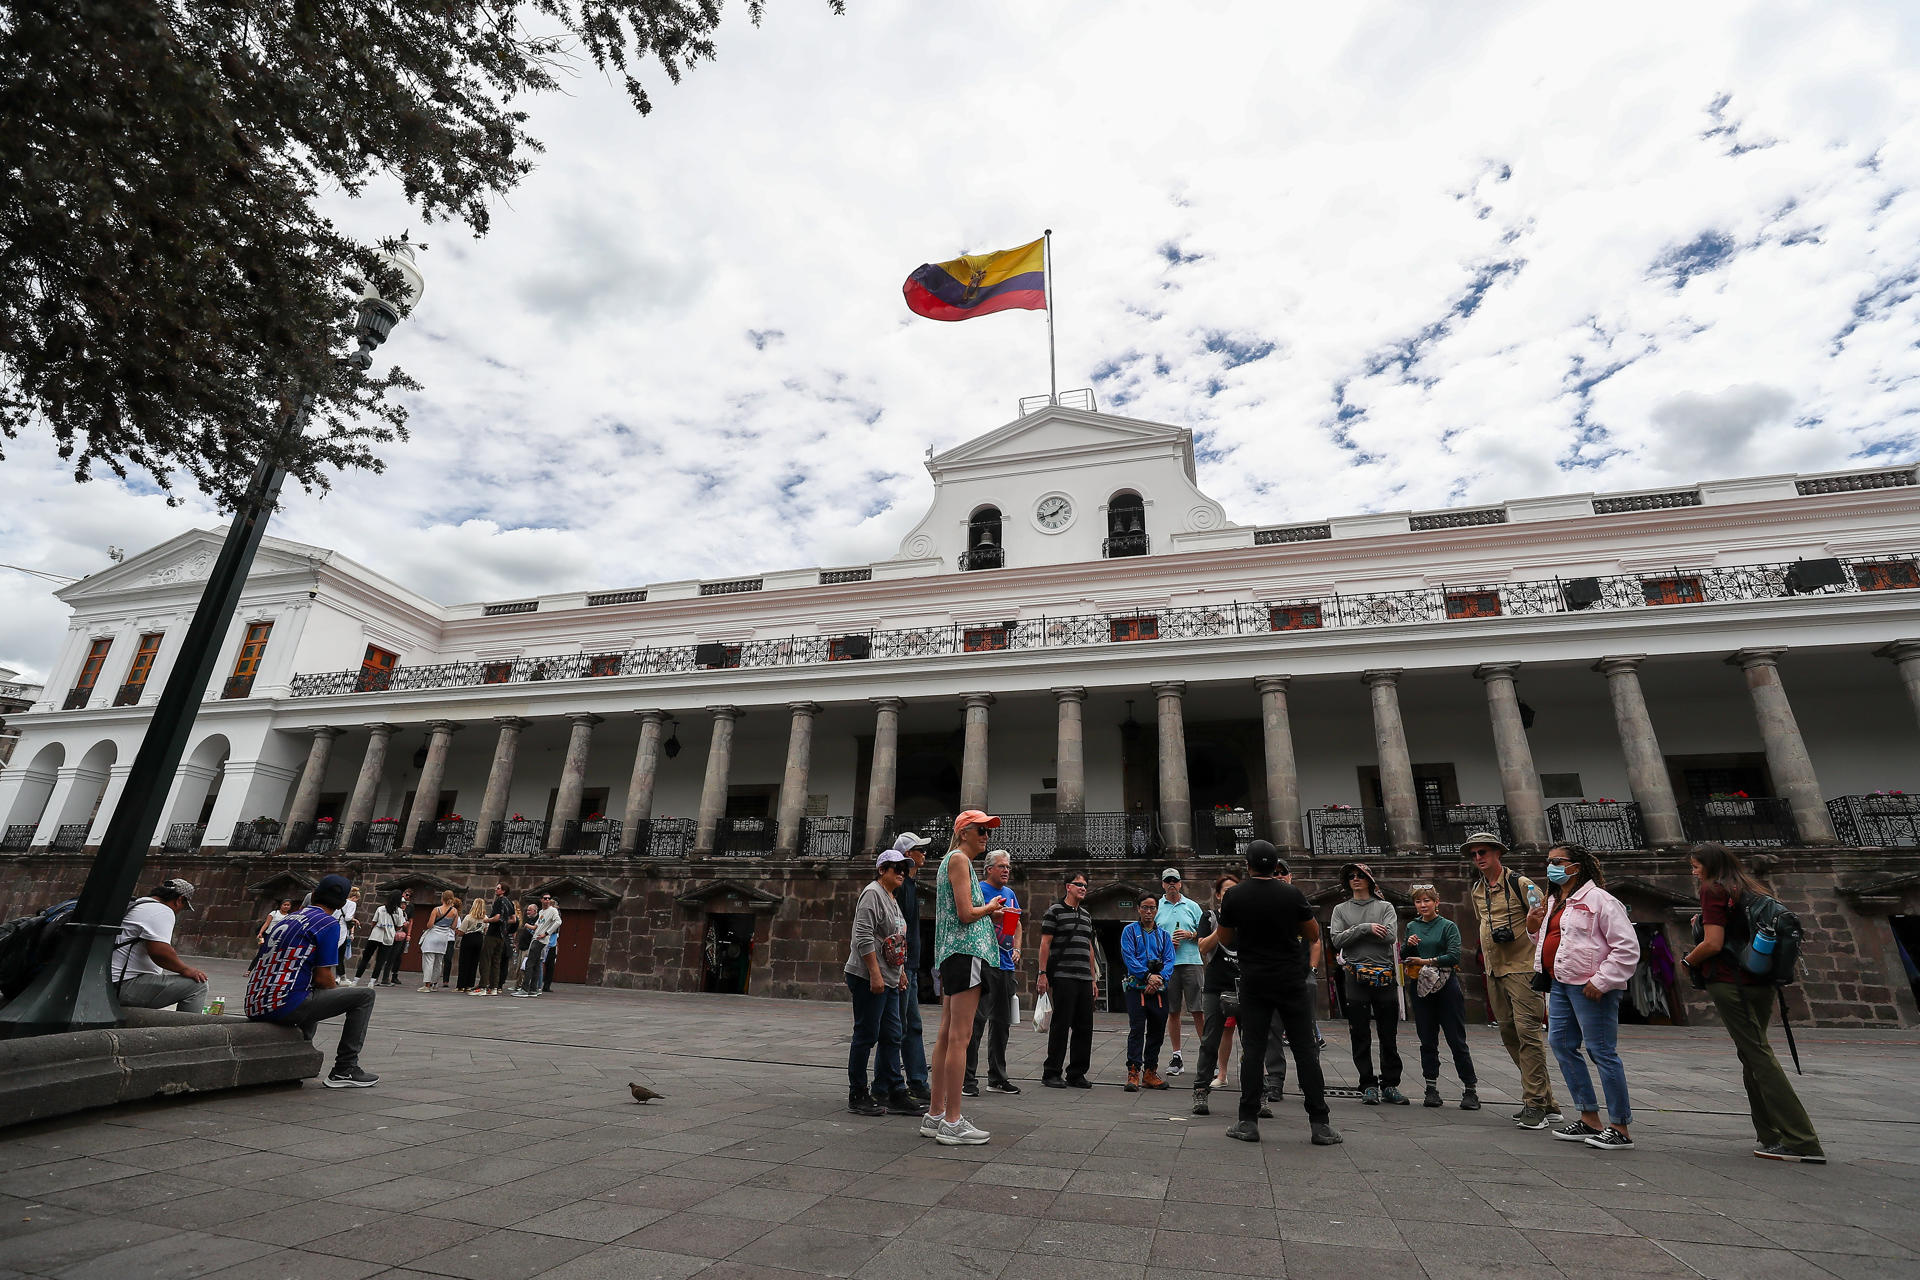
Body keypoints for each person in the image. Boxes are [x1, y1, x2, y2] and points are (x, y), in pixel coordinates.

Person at [1682, 844, 1824, 1163]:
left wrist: (1688, 960)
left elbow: (1713, 943)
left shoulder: (1712, 889)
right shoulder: (1747, 887)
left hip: (1731, 981)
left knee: (1757, 1054)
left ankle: (1801, 1139)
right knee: (1751, 1052)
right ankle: (1770, 1134)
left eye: (1695, 866)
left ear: (1710, 866)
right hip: (1759, 983)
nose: (1693, 872)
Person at [1204, 840, 1340, 1146]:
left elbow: (1225, 936)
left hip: (1255, 980)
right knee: (1305, 1050)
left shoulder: (1236, 895)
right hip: (1291, 980)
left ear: (1249, 865)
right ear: (1273, 864)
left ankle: (1247, 1122)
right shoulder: (1291, 893)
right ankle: (1320, 1124)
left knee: (1253, 1051)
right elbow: (1313, 933)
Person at [1530, 843, 1639, 1151]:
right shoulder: (1554, 901)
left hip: (1590, 986)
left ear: (1576, 866)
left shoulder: (1601, 900)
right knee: (1561, 1044)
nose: (1552, 866)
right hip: (1561, 983)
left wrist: (1603, 981)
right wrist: (1532, 928)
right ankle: (1589, 1118)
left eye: (1558, 861)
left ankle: (1620, 1127)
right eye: (1549, 861)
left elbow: (1627, 947)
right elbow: (1553, 940)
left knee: (1601, 1051)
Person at [1464, 832, 1562, 1130]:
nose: (1478, 858)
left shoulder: (1521, 884)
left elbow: (1541, 917)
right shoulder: (1477, 889)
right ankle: (1548, 1102)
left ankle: (1534, 1103)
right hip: (1495, 969)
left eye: (1483, 852)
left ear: (1498, 853)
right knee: (1509, 1034)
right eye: (1473, 854)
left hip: (1522, 968)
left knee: (1528, 1034)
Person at [246, 872, 378, 1087]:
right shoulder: (327, 924)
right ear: (342, 903)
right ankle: (345, 1069)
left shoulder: (287, 918)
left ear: (314, 894)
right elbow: (324, 977)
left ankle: (300, 1056)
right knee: (364, 996)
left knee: (309, 991)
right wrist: (338, 995)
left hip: (254, 1003)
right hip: (283, 1004)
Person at [924, 810, 1006, 1146]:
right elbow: (964, 913)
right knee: (960, 1036)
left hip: (952, 954)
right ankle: (954, 1120)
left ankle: (935, 1114)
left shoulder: (953, 862)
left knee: (947, 1035)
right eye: (981, 831)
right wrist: (991, 907)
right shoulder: (959, 861)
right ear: (963, 833)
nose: (986, 837)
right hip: (966, 953)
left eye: (988, 832)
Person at [845, 849, 922, 1117]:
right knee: (866, 1035)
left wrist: (899, 972)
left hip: (889, 978)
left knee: (892, 1035)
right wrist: (875, 974)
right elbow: (863, 936)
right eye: (895, 868)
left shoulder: (892, 897)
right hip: (868, 976)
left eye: (904, 868)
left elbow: (895, 938)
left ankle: (894, 1091)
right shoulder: (872, 894)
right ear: (882, 870)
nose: (901, 872)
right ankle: (857, 1093)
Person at [1329, 862, 1406, 1105]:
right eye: (1351, 876)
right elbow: (1337, 940)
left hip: (1384, 975)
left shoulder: (1385, 907)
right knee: (1360, 1034)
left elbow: (1391, 935)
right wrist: (1365, 928)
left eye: (1360, 875)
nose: (1355, 879)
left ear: (1369, 880)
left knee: (1388, 1034)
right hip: (1355, 976)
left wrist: (1355, 934)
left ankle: (1390, 1083)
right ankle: (1367, 1084)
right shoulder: (1340, 909)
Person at [1402, 884, 1479, 1110]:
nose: (1423, 905)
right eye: (1418, 901)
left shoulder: (1448, 926)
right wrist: (1408, 946)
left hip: (1446, 985)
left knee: (1456, 1039)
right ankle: (1431, 1088)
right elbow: (1405, 957)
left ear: (1437, 902)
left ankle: (1470, 1090)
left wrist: (1426, 961)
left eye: (1427, 900)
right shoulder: (1412, 926)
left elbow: (1453, 956)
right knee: (1427, 1039)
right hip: (1421, 986)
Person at [964, 849, 1022, 1097]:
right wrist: (990, 912)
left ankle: (997, 1077)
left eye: (1008, 866)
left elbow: (1017, 922)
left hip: (1006, 965)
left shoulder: (1009, 894)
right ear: (989, 869)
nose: (1006, 870)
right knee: (976, 1023)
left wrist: (1018, 947)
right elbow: (967, 918)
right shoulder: (978, 890)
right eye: (1001, 866)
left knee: (1002, 1024)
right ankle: (967, 1080)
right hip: (984, 962)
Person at [1038, 871, 1101, 1089]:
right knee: (1061, 1025)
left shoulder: (1086, 915)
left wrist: (1093, 979)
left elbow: (1089, 947)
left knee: (1084, 1027)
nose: (1083, 888)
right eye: (1079, 884)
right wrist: (1042, 974)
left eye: (1085, 885)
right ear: (1068, 887)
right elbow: (1045, 943)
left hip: (1084, 977)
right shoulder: (1054, 911)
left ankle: (1076, 1073)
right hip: (1063, 976)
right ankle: (1052, 1072)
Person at [110, 878, 209, 1012]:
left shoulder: (139, 905)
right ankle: (189, 1031)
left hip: (110, 980)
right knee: (197, 985)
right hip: (122, 985)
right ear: (179, 900)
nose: (179, 911)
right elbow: (160, 952)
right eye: (183, 907)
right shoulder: (162, 910)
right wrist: (186, 969)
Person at [888, 832, 934, 1103]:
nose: (924, 854)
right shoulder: (903, 887)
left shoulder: (910, 886)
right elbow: (897, 931)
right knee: (902, 1025)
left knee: (909, 1024)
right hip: (904, 968)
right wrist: (903, 967)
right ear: (908, 856)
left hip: (911, 966)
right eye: (919, 850)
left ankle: (915, 1080)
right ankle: (902, 1082)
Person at [1121, 894, 1174, 1091]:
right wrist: (1147, 976)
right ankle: (1133, 1071)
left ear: (1157, 910)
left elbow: (1170, 960)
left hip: (1159, 990)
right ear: (1138, 909)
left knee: (1157, 1031)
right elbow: (1128, 957)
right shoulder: (1129, 931)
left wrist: (1159, 978)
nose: (1148, 912)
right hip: (1137, 988)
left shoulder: (1164, 936)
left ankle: (1150, 1071)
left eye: (1152, 908)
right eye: (1145, 907)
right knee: (1136, 1030)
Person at [1156, 867, 1205, 1079]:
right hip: (1168, 965)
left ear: (1181, 883)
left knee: (1198, 1009)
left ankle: (1207, 1055)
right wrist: (1166, 943)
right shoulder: (1157, 906)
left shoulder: (1192, 906)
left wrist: (1190, 934)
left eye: (1175, 880)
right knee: (1173, 1010)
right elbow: (1151, 934)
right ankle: (1177, 1056)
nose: (1172, 884)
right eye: (1168, 881)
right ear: (1163, 884)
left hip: (1192, 961)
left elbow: (1206, 934)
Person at [516, 894, 561, 996]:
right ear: (541, 900)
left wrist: (546, 933)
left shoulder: (552, 910)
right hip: (536, 938)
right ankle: (533, 989)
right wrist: (529, 926)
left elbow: (558, 922)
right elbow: (537, 925)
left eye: (549, 898)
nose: (547, 900)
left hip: (540, 940)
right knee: (536, 965)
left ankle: (525, 989)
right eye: (545, 898)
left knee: (529, 964)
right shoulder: (541, 912)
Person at [474, 880, 513, 995]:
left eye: (498, 888)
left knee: (485, 960)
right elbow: (514, 919)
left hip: (493, 933)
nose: (496, 890)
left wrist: (487, 920)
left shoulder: (499, 901)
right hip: (502, 935)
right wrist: (505, 922)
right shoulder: (509, 903)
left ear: (503, 891)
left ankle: (482, 987)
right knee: (496, 961)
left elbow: (497, 917)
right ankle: (494, 987)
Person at [356, 893, 403, 987]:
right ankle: (372, 982)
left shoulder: (381, 908)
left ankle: (355, 980)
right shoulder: (399, 911)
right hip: (388, 937)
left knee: (365, 958)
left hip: (375, 935)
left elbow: (374, 922)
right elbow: (399, 926)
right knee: (380, 961)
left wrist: (375, 929)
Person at [419, 890, 460, 991]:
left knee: (429, 961)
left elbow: (430, 925)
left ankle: (427, 985)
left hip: (433, 936)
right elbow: (454, 926)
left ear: (442, 898)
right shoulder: (455, 911)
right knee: (439, 962)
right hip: (444, 937)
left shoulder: (437, 910)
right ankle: (434, 984)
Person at [376, 889, 412, 986]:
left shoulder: (404, 913)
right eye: (402, 903)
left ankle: (385, 977)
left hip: (399, 938)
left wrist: (407, 929)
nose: (404, 905)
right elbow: (399, 925)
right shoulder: (394, 911)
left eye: (405, 904)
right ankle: (376, 977)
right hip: (390, 935)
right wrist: (404, 925)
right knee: (383, 957)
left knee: (392, 958)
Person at [456, 897, 486, 990]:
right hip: (479, 938)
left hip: (469, 938)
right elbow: (485, 930)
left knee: (464, 962)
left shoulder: (469, 917)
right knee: (474, 962)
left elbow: (461, 932)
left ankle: (461, 985)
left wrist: (458, 932)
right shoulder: (485, 917)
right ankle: (469, 985)